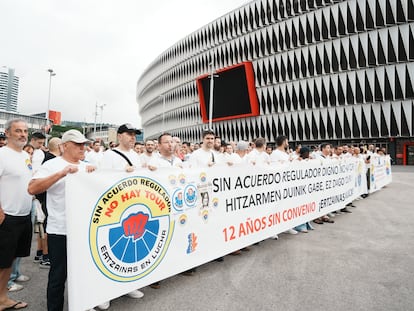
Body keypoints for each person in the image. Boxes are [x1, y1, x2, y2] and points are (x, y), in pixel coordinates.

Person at [28, 130, 95, 311]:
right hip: (61, 230)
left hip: (84, 230)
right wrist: (62, 173)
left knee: (82, 273)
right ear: (64, 146)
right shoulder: (52, 165)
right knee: (58, 275)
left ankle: (81, 305)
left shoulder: (87, 165)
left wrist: (95, 175)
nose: (83, 148)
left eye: (84, 144)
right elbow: (32, 188)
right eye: (78, 144)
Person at [98, 124, 144, 309]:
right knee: (111, 250)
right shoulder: (109, 155)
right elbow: (101, 179)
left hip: (133, 205)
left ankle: (128, 285)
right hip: (115, 208)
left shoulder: (136, 156)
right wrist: (121, 173)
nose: (133, 138)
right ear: (119, 136)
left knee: (132, 249)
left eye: (135, 135)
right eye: (129, 134)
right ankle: (103, 293)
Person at [0, 119, 33, 310]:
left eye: (25, 131)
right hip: (7, 216)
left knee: (9, 262)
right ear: (8, 133)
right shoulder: (2, 154)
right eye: (18, 131)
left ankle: (3, 298)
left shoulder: (24, 156)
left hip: (24, 216)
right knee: (2, 262)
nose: (22, 134)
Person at [34, 137, 63, 269]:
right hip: (47, 198)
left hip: (43, 198)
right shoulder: (52, 161)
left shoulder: (46, 158)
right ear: (59, 146)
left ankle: (40, 253)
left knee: (42, 225)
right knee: (46, 228)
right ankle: (46, 256)